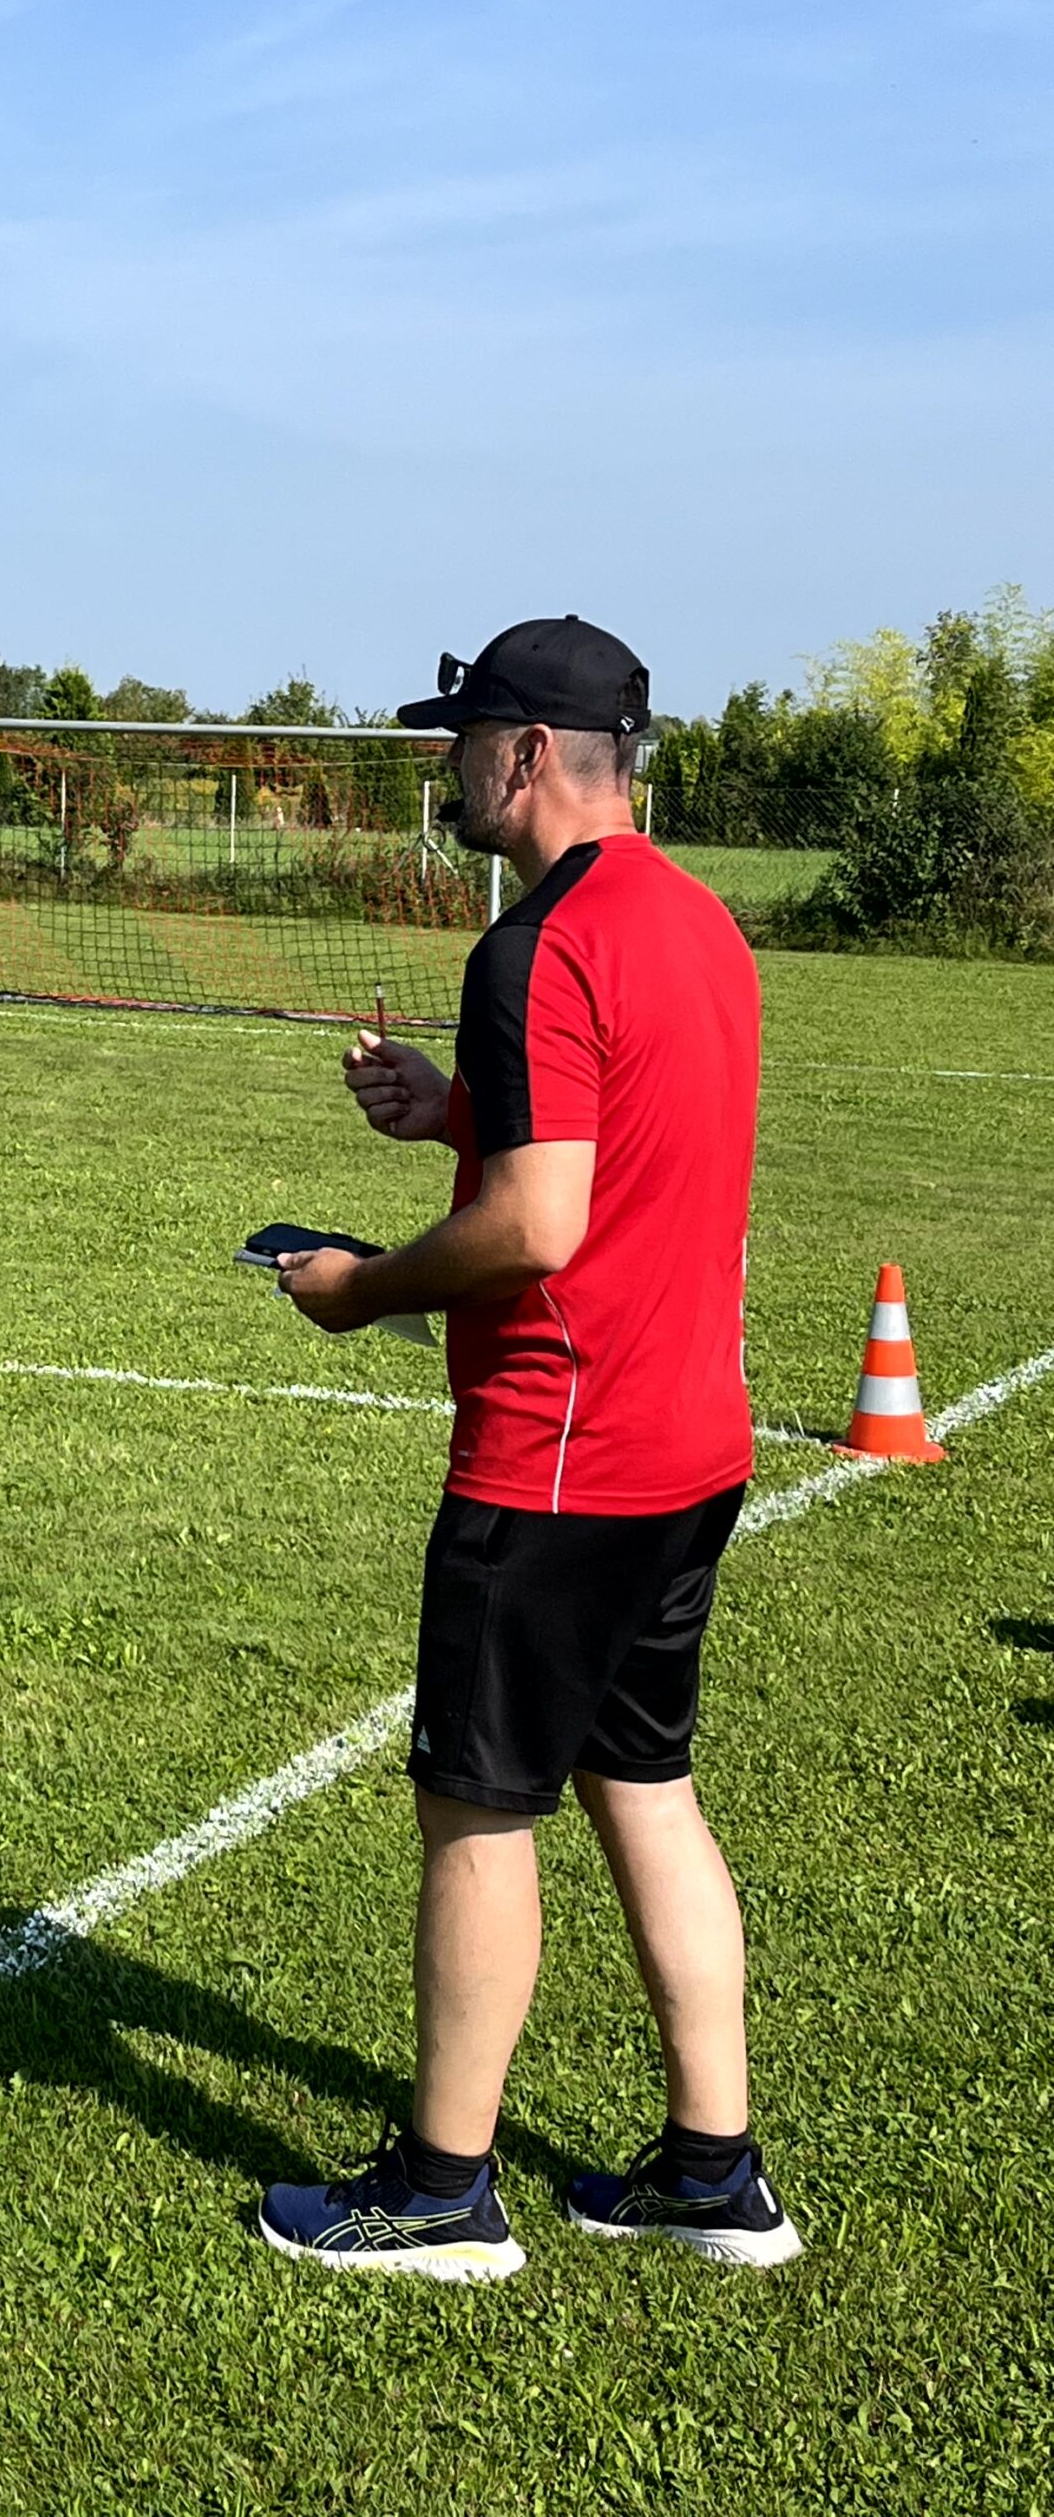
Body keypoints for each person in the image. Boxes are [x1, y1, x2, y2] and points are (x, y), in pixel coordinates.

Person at [256, 617, 800, 2282]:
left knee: (474, 1807)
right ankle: (716, 2168)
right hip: (688, 1439)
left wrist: (357, 1291)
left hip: (559, 1457)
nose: (446, 774)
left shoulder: (536, 946)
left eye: (459, 746)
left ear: (527, 756)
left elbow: (536, 1228)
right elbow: (611, 1132)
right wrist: (456, 1108)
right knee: (644, 1782)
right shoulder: (699, 921)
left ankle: (440, 2191)